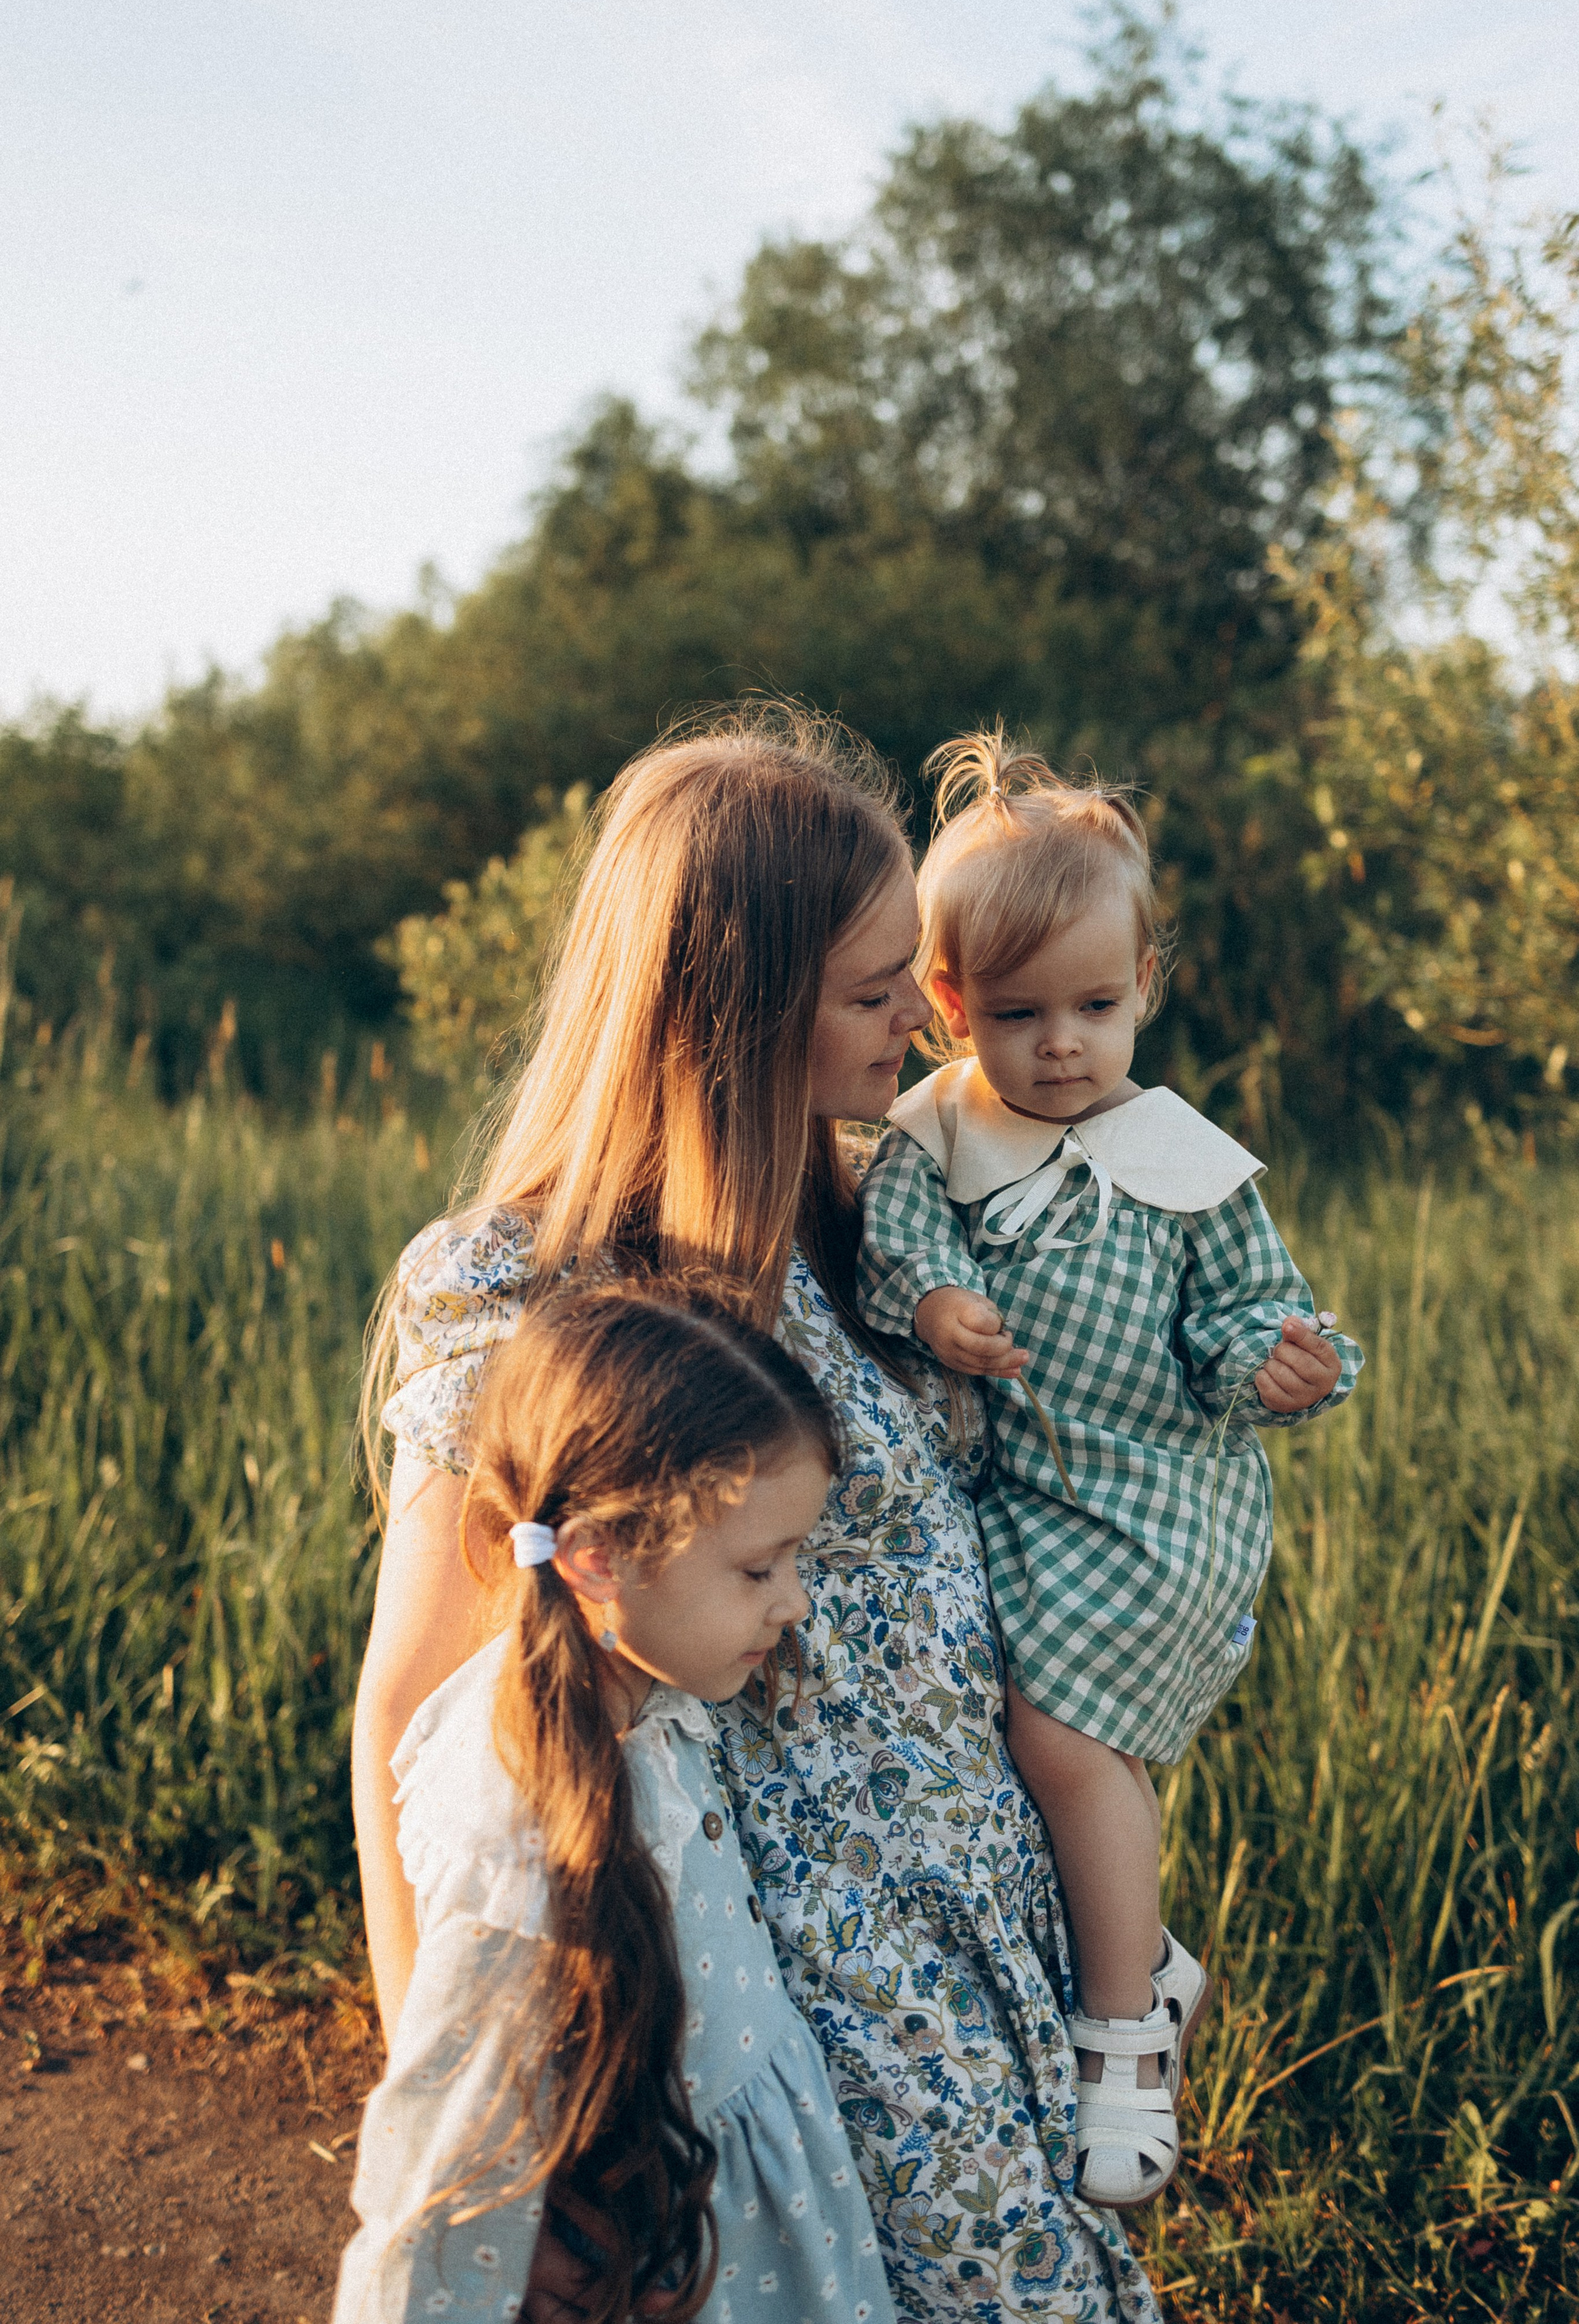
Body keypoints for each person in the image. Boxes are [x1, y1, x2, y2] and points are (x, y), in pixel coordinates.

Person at [358, 706, 1161, 2322]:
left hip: (976, 1977)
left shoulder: (858, 1243)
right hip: (782, 2024)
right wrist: (470, 2119)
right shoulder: (527, 1294)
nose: (918, 1032)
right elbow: (413, 1727)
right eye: (875, 996)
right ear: (730, 1016)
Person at [857, 733, 1364, 2210]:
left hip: (1155, 1504)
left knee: (1063, 1738)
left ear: (1145, 986)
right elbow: (901, 1244)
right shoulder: (936, 1130)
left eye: (1093, 1005)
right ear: (947, 1004)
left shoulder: (1180, 1155)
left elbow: (1250, 1307)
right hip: (1023, 1504)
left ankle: (1123, 2031)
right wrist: (933, 1304)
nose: (1060, 1045)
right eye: (1016, 1013)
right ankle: (1131, 1940)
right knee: (1031, 1740)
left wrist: (1283, 1358)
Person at [334, 1281, 896, 2324]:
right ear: (599, 1558)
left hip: (750, 2212)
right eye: (759, 1567)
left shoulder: (655, 1694)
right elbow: (443, 2181)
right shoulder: (514, 1815)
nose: (795, 1600)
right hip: (669, 2257)